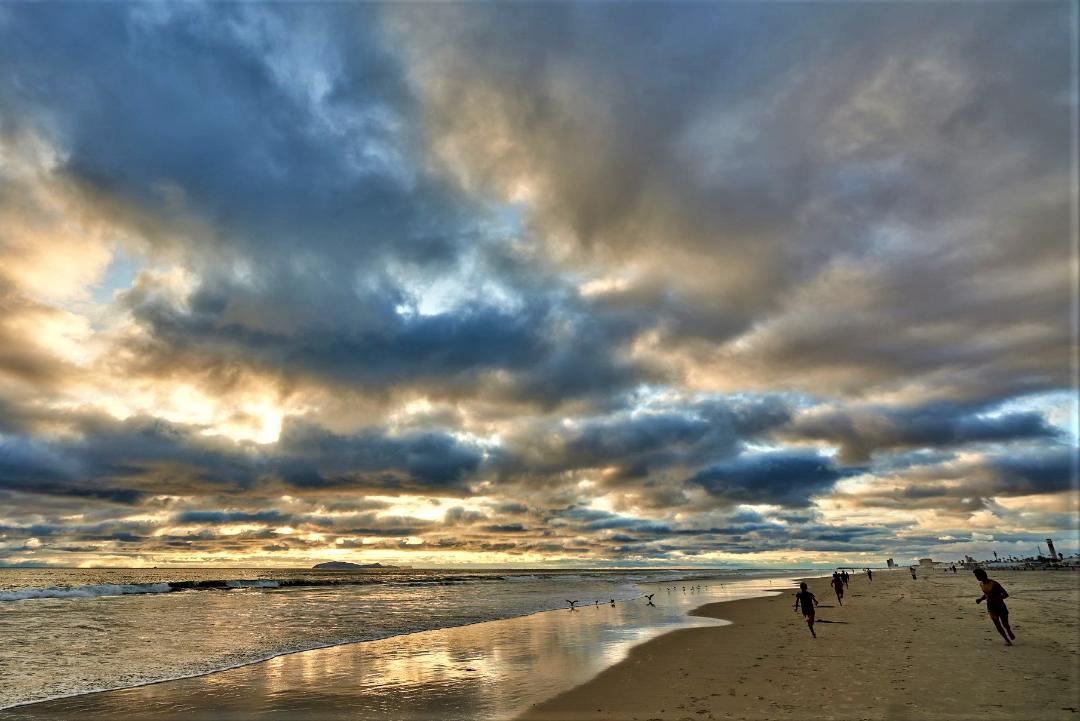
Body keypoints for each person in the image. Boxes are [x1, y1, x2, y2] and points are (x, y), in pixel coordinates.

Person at [974, 568, 1015, 645]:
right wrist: (980, 599)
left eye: (977, 575)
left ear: (982, 575)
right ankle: (1007, 640)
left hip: (1000, 605)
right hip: (990, 606)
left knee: (1005, 624)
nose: (976, 577)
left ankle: (1008, 630)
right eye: (976, 576)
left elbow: (1006, 595)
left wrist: (996, 599)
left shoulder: (994, 584)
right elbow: (986, 594)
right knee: (997, 624)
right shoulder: (981, 584)